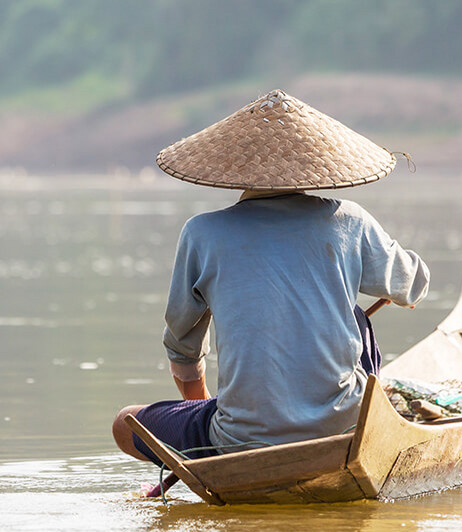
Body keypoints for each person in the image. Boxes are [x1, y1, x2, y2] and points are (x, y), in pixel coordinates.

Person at [112, 89, 429, 464]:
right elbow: (413, 286)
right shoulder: (351, 221)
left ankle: (214, 442)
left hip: (238, 440)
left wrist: (208, 419)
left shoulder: (202, 233)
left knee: (124, 423)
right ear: (316, 164)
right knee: (357, 320)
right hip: (346, 428)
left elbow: (183, 349)